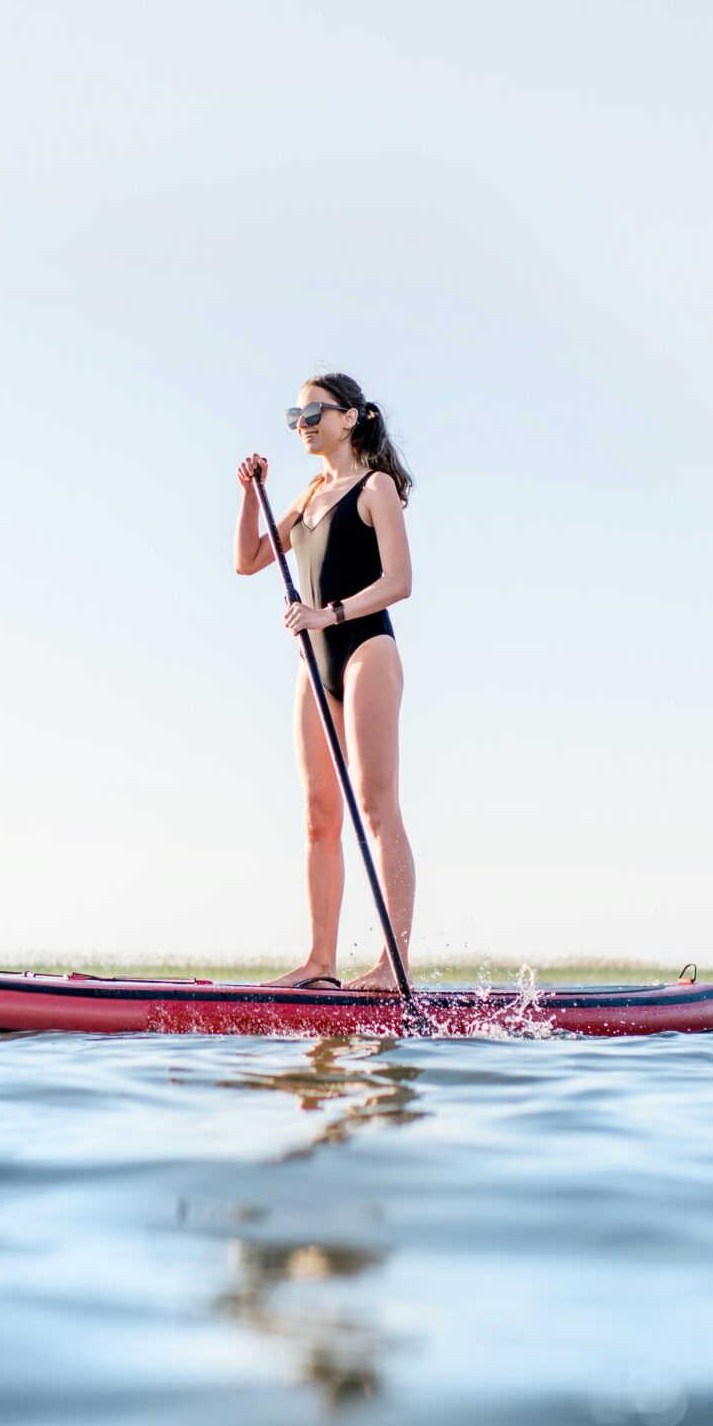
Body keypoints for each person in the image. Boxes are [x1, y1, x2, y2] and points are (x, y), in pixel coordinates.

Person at [232, 372, 417, 990]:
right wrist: (250, 493)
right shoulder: (309, 493)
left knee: (375, 803)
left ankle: (394, 967)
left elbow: (400, 581)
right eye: (296, 416)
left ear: (351, 418)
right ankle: (319, 963)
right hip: (316, 663)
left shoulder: (376, 487)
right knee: (317, 815)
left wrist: (327, 614)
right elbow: (250, 561)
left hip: (365, 647)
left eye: (315, 413)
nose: (303, 424)